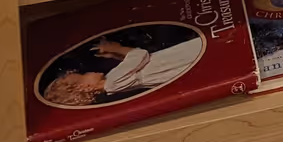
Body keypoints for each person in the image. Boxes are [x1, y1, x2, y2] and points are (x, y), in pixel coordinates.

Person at [38, 25, 203, 107]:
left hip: (162, 64)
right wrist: (116, 48)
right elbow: (140, 55)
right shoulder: (113, 82)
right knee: (196, 51)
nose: (88, 71)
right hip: (167, 64)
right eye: (84, 75)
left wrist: (114, 55)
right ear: (85, 87)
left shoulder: (111, 81)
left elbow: (131, 67)